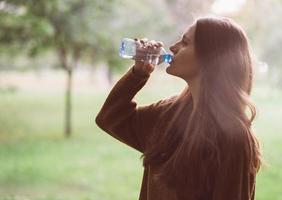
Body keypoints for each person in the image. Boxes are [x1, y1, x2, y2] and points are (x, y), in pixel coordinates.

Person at [95, 16, 261, 200]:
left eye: (185, 42)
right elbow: (109, 118)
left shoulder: (233, 137)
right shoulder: (170, 113)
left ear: (210, 57)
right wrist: (138, 74)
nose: (173, 47)